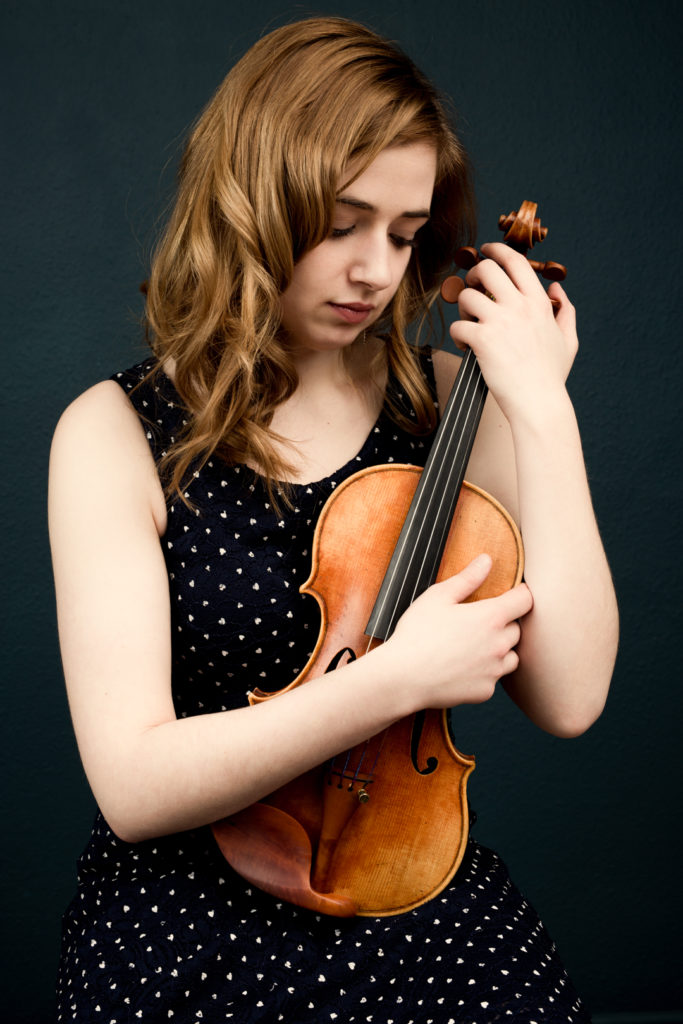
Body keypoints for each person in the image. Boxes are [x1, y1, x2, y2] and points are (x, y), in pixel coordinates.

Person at [48, 16, 618, 1023]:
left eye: (403, 236)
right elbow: (131, 786)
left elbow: (568, 696)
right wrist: (393, 681)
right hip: (186, 907)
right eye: (341, 223)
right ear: (252, 204)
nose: (374, 271)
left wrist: (540, 406)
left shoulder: (450, 402)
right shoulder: (114, 432)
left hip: (409, 881)